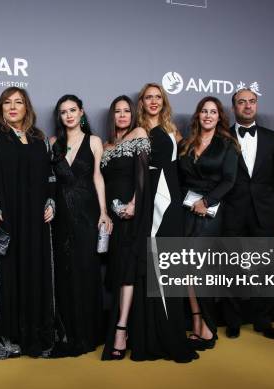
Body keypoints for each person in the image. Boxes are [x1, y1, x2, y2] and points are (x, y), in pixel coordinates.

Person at [0, 87, 56, 358]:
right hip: (3, 218)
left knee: (33, 274)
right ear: (1, 107)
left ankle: (33, 334)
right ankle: (6, 336)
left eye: (18, 102)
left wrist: (50, 202)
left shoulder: (39, 139)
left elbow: (51, 176)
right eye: (7, 102)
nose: (12, 107)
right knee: (5, 276)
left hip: (34, 220)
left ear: (26, 107)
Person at [127, 83, 197, 362]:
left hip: (173, 199)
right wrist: (134, 200)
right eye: (148, 97)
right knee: (155, 261)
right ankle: (155, 335)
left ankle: (171, 330)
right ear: (141, 102)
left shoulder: (173, 130)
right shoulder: (139, 131)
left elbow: (184, 166)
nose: (153, 101)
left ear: (163, 101)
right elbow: (135, 170)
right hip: (153, 198)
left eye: (158, 97)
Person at [50, 94, 112, 357]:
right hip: (61, 214)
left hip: (87, 213)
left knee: (86, 272)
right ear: (60, 116)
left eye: (73, 110)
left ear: (82, 112)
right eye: (64, 112)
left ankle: (88, 332)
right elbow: (49, 180)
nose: (69, 115)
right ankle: (68, 332)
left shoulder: (94, 141)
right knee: (64, 274)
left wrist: (104, 212)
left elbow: (98, 177)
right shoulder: (53, 143)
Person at [178, 96, 238, 350]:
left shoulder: (227, 144)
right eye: (204, 111)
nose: (208, 116)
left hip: (211, 213)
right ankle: (196, 323)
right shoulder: (187, 143)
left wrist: (207, 201)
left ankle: (209, 329)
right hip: (186, 211)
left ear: (219, 117)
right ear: (198, 115)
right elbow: (179, 177)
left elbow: (229, 180)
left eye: (213, 112)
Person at [221, 88, 274, 340]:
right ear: (233, 107)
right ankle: (233, 320)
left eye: (252, 101)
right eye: (241, 102)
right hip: (232, 212)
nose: (247, 106)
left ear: (256, 105)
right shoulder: (222, 138)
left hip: (264, 213)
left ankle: (262, 320)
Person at [100, 95, 150, 360]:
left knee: (129, 270)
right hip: (113, 217)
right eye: (117, 111)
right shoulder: (106, 145)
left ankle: (121, 329)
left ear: (133, 114)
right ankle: (122, 326)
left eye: (126, 111)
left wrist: (133, 204)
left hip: (132, 214)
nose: (122, 115)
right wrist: (107, 212)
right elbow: (102, 182)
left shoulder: (139, 133)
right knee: (118, 270)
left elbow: (143, 172)